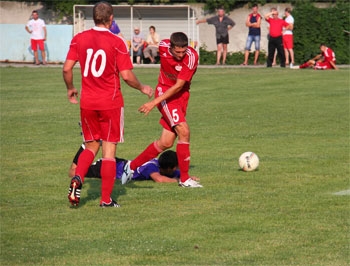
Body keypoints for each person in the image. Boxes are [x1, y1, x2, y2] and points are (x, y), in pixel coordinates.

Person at [63, 2, 153, 208]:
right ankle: (105, 200)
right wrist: (142, 88)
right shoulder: (117, 42)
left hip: (87, 102)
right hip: (110, 103)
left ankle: (78, 178)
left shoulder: (79, 38)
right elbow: (127, 76)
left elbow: (67, 68)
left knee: (91, 144)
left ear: (93, 18)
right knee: (109, 150)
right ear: (111, 18)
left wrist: (70, 88)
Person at [121, 32, 203, 188]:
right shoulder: (163, 46)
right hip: (164, 94)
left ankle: (130, 167)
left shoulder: (191, 57)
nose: (180, 55)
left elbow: (179, 85)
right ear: (170, 47)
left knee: (166, 142)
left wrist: (152, 103)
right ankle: (185, 180)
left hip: (180, 96)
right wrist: (155, 102)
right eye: (177, 52)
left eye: (183, 52)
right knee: (184, 131)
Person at [68, 144, 197, 183]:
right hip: (110, 169)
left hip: (120, 164)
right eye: (175, 167)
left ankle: (90, 146)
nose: (176, 169)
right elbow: (159, 179)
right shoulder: (151, 167)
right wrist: (178, 181)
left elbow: (177, 174)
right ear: (168, 168)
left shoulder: (161, 164)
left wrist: (187, 178)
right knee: (73, 172)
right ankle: (85, 146)